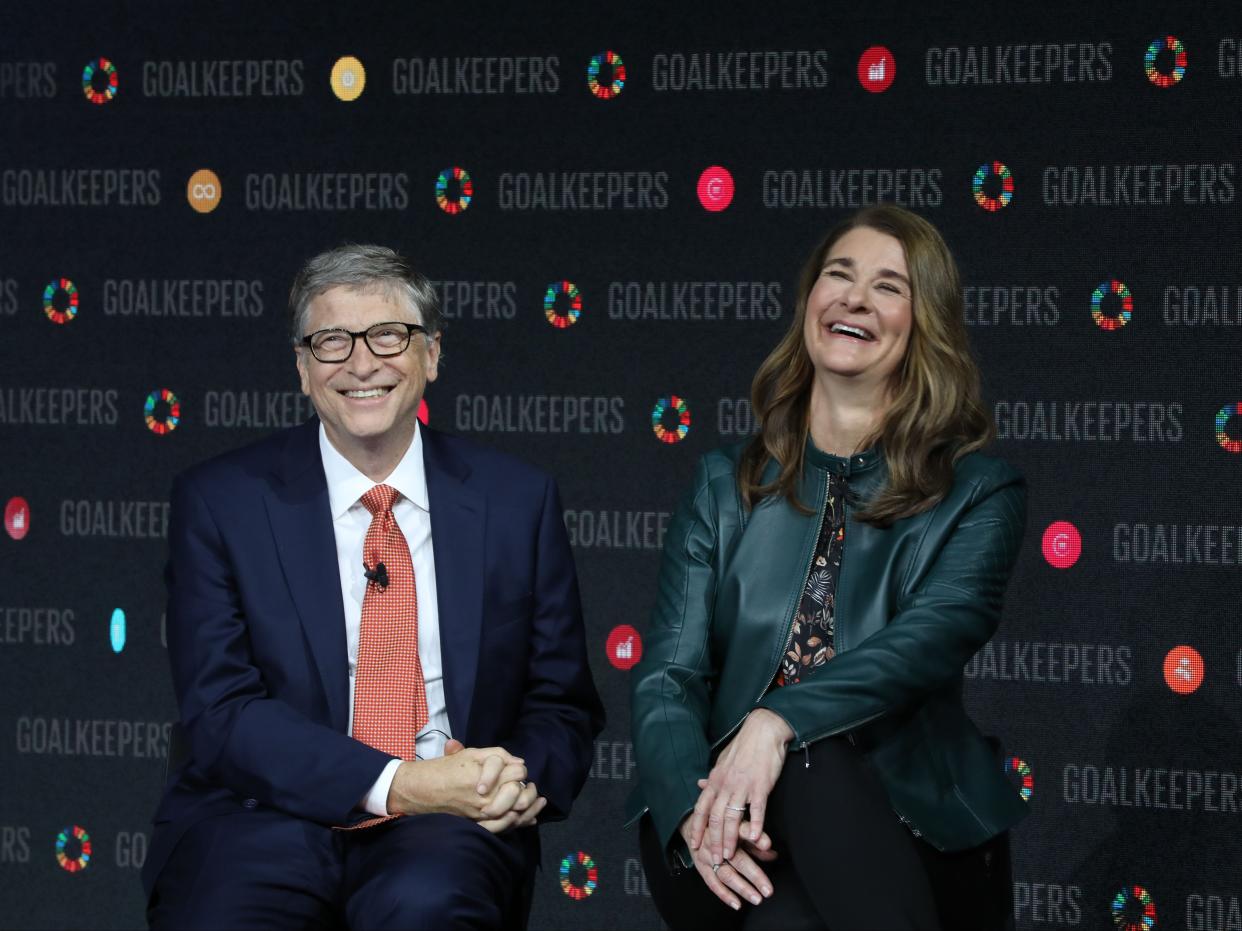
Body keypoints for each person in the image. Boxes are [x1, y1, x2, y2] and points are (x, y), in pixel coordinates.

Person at [142, 244, 604, 929]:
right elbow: (222, 712)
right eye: (333, 341)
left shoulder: (517, 501)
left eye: (388, 334)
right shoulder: (220, 502)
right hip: (256, 816)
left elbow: (561, 703)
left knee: (429, 909)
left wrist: (513, 779)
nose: (362, 363)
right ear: (303, 368)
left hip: (448, 827)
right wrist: (401, 784)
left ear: (432, 355)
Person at [628, 205, 1028, 930]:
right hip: (727, 827)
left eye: (887, 287)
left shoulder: (977, 494)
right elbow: (668, 677)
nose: (853, 298)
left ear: (923, 322)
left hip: (910, 824)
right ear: (809, 300)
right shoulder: (724, 485)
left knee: (812, 779)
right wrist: (691, 806)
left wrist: (777, 719)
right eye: (838, 276)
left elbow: (928, 639)